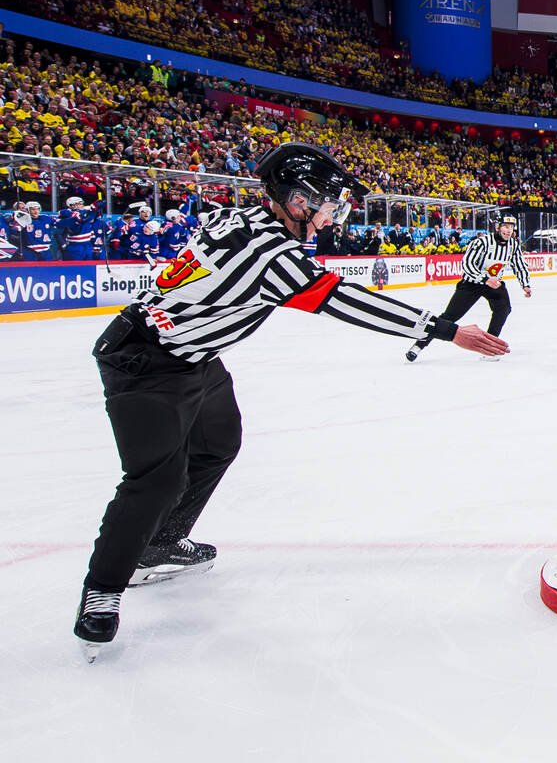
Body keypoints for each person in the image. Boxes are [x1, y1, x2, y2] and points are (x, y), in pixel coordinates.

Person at [74, 142, 508, 658]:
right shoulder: (271, 257)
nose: (333, 216)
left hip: (194, 357)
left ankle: (160, 542)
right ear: (298, 201)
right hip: (145, 363)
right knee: (156, 478)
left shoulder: (250, 221)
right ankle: (102, 590)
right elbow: (345, 302)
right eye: (328, 205)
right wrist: (444, 329)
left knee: (218, 443)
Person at [414, 214, 531, 362]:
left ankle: (489, 347)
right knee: (449, 317)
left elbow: (519, 264)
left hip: (494, 283)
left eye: (511, 228)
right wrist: (485, 278)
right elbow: (467, 264)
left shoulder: (513, 245)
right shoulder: (482, 242)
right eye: (505, 227)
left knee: (503, 309)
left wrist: (525, 284)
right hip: (472, 283)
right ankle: (419, 345)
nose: (509, 231)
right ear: (497, 227)